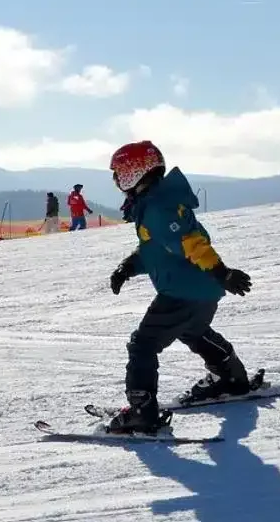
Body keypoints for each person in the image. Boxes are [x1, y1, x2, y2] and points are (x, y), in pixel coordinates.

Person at [104, 140, 253, 434]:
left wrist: (222, 272)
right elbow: (157, 249)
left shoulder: (159, 208)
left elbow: (191, 244)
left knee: (143, 345)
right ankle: (231, 377)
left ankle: (141, 411)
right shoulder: (158, 202)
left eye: (119, 172)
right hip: (202, 290)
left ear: (135, 172)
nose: (117, 180)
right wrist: (128, 267)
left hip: (183, 291)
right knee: (192, 331)